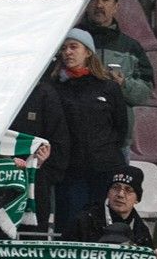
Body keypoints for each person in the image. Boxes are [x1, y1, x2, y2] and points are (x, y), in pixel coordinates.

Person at [49, 29, 130, 228]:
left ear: (88, 52)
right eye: (64, 48)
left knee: (104, 226)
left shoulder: (108, 87)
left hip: (105, 169)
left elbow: (121, 128)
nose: (68, 52)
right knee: (70, 226)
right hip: (70, 172)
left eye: (74, 46)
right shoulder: (54, 88)